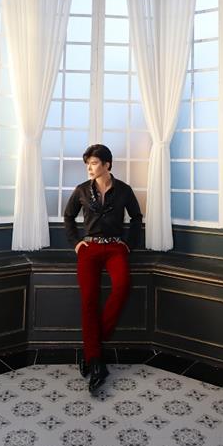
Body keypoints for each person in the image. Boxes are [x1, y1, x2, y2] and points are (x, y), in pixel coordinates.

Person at [64, 144, 142, 394]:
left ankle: (93, 341)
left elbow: (137, 218)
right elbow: (68, 217)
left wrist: (128, 244)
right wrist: (76, 243)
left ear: (107, 164)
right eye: (87, 163)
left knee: (122, 286)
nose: (89, 167)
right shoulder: (81, 190)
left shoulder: (124, 190)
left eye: (94, 163)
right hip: (89, 248)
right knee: (89, 299)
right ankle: (96, 361)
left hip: (115, 247)